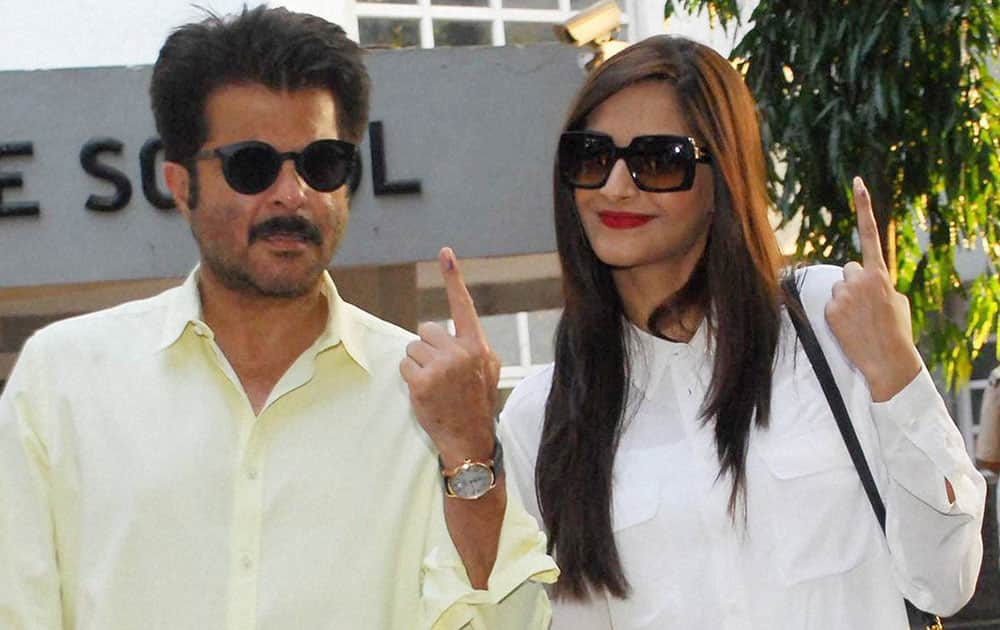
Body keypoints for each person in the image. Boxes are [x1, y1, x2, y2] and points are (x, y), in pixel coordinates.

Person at [0, 7, 556, 629]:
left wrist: (469, 450)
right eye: (252, 165)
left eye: (320, 163)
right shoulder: (64, 381)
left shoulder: (429, 402)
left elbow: (513, 623)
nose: (291, 194)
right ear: (180, 186)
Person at [497, 35, 986, 628]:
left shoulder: (830, 321)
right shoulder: (542, 417)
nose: (616, 187)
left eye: (658, 160)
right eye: (591, 156)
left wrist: (897, 375)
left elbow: (946, 578)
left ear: (722, 176)